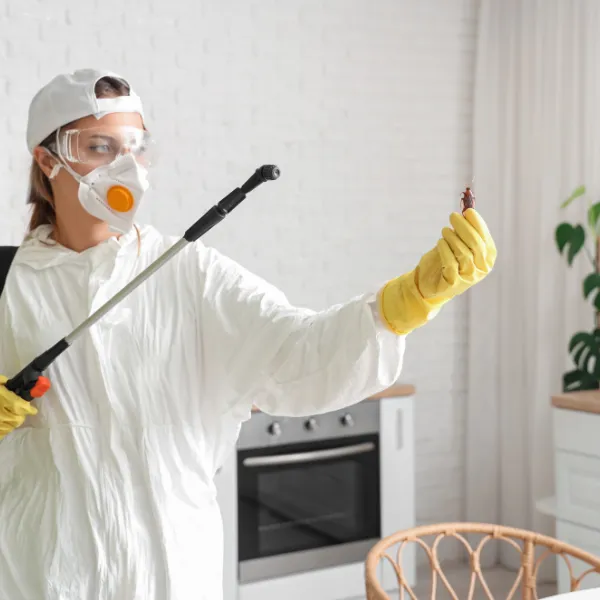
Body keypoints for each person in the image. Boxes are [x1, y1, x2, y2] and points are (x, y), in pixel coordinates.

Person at [0, 69, 496, 600]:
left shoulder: (189, 273)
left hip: (173, 574)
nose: (125, 166)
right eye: (99, 146)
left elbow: (298, 354)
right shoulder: (7, 284)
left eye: (136, 147)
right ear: (47, 160)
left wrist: (407, 302)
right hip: (45, 575)